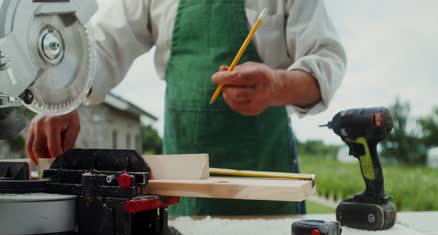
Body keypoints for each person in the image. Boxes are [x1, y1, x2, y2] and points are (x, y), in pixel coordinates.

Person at [26, 0, 346, 216]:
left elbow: (326, 59)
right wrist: (63, 93)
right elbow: (104, 46)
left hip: (267, 176)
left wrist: (277, 86)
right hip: (183, 186)